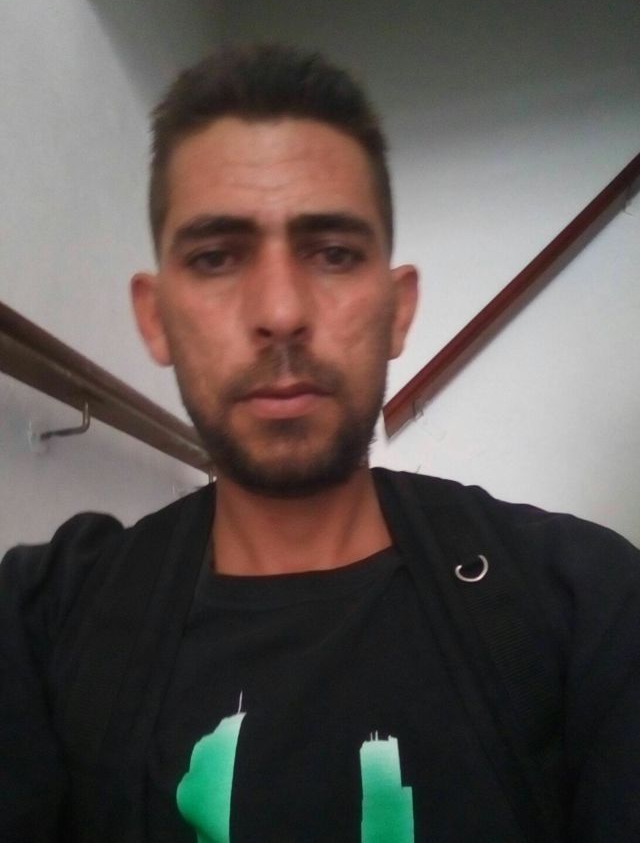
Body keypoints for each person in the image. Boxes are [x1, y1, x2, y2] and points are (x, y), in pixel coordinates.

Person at [1, 44, 639, 843]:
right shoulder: (41, 620)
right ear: (155, 317)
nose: (281, 311)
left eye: (333, 253)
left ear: (399, 309)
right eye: (216, 257)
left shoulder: (585, 606)